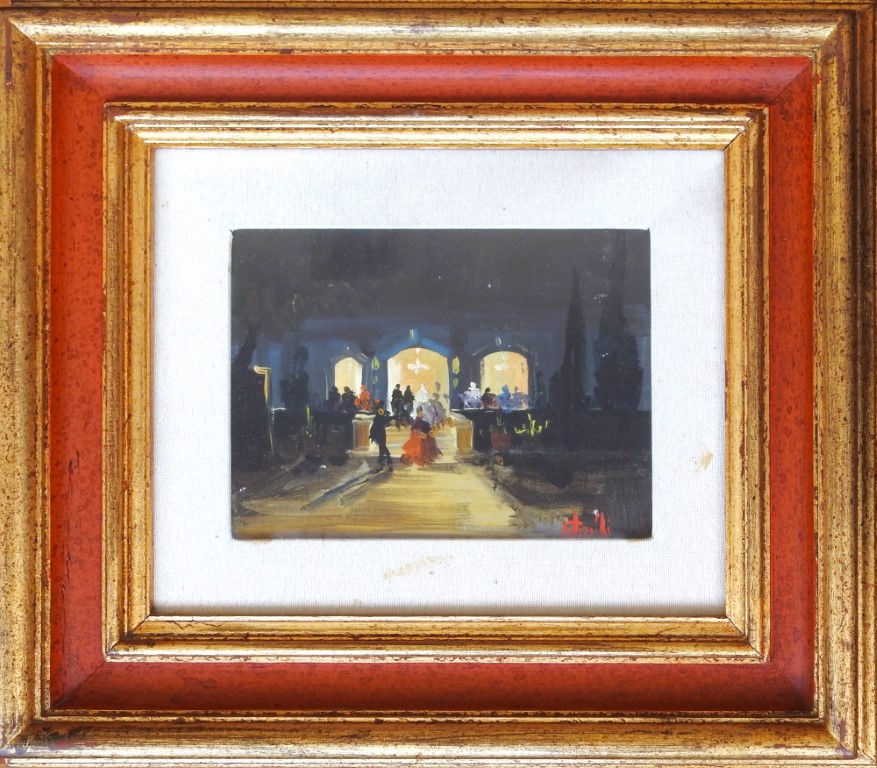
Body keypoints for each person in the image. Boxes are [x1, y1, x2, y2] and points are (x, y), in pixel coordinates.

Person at [369, 404, 394, 470]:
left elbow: (384, 422)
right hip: (379, 434)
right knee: (383, 448)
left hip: (380, 434)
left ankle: (383, 464)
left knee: (382, 448)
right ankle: (387, 463)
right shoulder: (379, 417)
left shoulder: (379, 417)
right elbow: (384, 422)